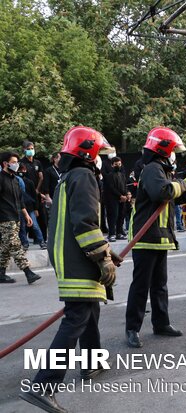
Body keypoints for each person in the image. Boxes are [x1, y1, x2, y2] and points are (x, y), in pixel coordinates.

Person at [19, 127, 119, 413]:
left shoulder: (68, 177)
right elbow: (86, 223)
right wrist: (102, 257)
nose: (101, 159)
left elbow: (77, 222)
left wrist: (107, 251)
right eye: (98, 153)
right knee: (77, 317)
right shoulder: (84, 176)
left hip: (70, 256)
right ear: (87, 153)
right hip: (79, 261)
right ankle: (43, 386)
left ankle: (91, 364)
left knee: (88, 311)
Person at [125, 127, 186, 348]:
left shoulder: (163, 172)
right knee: (141, 286)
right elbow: (163, 193)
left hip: (160, 237)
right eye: (173, 150)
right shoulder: (152, 169)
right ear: (163, 150)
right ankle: (132, 329)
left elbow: (174, 198)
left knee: (160, 285)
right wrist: (184, 184)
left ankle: (161, 323)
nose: (175, 155)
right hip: (145, 236)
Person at [0, 152, 41, 284]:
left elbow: (20, 200)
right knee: (15, 244)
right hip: (5, 218)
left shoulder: (16, 180)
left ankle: (1, 273)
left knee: (6, 247)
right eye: (13, 162)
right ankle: (28, 272)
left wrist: (26, 215)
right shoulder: (1, 179)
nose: (16, 164)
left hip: (16, 217)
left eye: (17, 162)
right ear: (5, 164)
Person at [17, 162, 46, 249]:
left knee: (35, 225)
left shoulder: (29, 182)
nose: (21, 171)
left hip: (30, 207)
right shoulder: (15, 181)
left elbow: (34, 196)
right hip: (20, 208)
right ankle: (25, 242)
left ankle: (41, 241)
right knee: (22, 227)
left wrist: (36, 208)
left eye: (22, 170)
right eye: (19, 170)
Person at [103, 157, 128, 242]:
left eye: (119, 164)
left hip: (122, 199)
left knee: (121, 216)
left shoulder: (122, 175)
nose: (118, 166)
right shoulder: (109, 176)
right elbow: (111, 188)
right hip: (112, 199)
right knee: (113, 216)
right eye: (116, 164)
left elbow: (124, 186)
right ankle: (111, 234)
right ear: (112, 165)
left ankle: (119, 233)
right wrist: (120, 196)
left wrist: (126, 194)